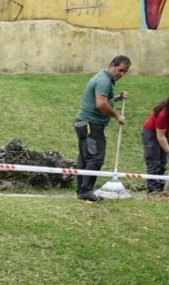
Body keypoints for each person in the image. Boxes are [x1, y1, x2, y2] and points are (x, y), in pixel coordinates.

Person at [73, 55, 131, 202]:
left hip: (84, 123)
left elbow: (102, 99)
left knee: (85, 157)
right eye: (120, 70)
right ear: (112, 65)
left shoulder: (104, 78)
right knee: (95, 157)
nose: (121, 74)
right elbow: (100, 104)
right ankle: (86, 191)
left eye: (125, 72)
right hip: (91, 124)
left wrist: (116, 98)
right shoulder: (104, 81)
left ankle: (82, 190)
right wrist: (117, 116)